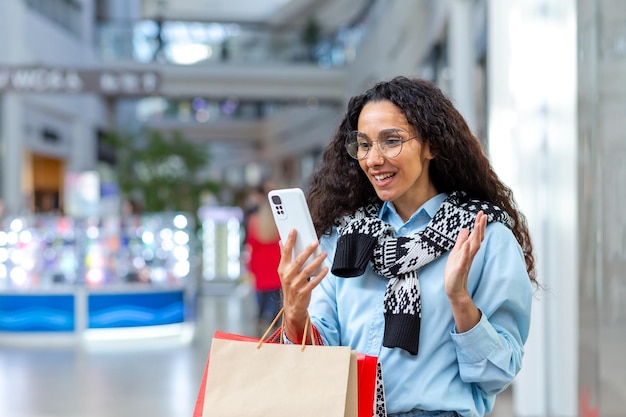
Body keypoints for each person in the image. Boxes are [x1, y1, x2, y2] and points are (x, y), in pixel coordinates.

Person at [276, 76, 537, 417]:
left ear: (432, 145)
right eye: (365, 144)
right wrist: (295, 313)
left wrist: (460, 300)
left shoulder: (483, 237)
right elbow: (318, 363)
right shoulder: (344, 239)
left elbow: (497, 373)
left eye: (391, 141)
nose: (373, 159)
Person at [244, 183, 283, 334]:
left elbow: (251, 246)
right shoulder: (278, 222)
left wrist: (250, 267)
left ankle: (260, 324)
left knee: (261, 302)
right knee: (276, 302)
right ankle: (275, 329)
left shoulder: (254, 221)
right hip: (276, 266)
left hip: (260, 267)